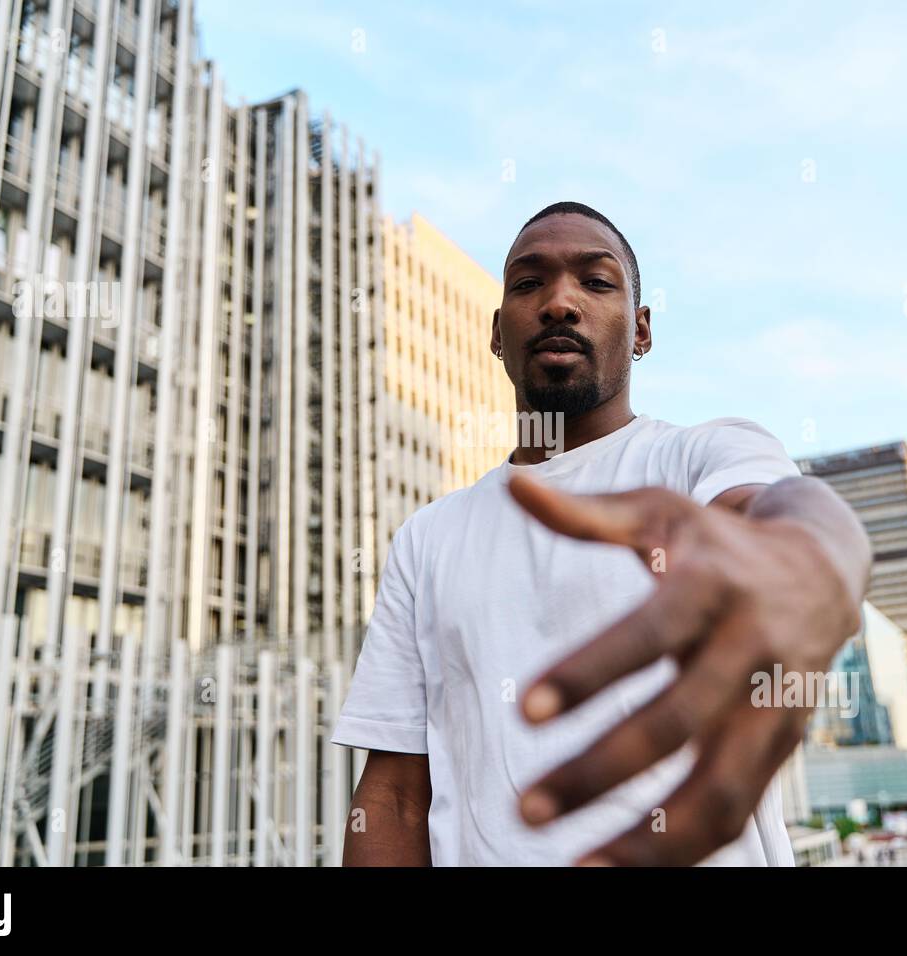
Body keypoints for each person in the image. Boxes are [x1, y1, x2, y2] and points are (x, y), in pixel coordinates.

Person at [331, 201, 871, 866]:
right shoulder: (426, 538)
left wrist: (810, 562)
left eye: (595, 281)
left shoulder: (704, 456)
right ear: (497, 332)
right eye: (529, 284)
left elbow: (791, 515)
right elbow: (393, 798)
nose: (559, 302)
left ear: (641, 329)